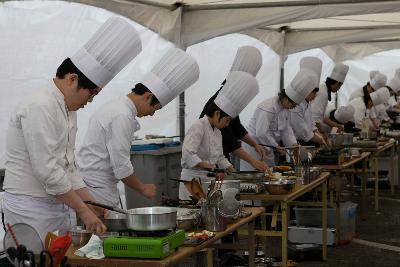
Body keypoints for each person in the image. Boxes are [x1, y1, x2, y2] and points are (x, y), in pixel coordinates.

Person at [2, 17, 142, 239]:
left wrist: (91, 203)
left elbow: (68, 167)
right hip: (29, 207)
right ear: (72, 79)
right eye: (91, 93)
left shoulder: (68, 109)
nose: (91, 100)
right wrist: (84, 210)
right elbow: (47, 170)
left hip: (56, 203)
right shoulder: (40, 105)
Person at [76, 48, 200, 208]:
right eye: (155, 108)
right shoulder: (121, 115)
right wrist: (143, 188)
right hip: (98, 190)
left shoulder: (117, 108)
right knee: (104, 232)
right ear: (148, 96)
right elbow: (121, 167)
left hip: (96, 187)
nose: (152, 114)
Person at [180, 71, 259, 200]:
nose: (228, 125)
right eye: (227, 120)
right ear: (217, 114)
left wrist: (232, 170)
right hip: (192, 181)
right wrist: (210, 167)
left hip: (208, 180)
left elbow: (220, 157)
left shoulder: (217, 131)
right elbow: (188, 155)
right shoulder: (198, 126)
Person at [199, 46, 268, 172]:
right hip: (207, 165)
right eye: (227, 120)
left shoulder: (228, 101)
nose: (228, 122)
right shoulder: (219, 102)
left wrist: (254, 144)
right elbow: (229, 140)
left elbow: (236, 128)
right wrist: (253, 161)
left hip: (219, 159)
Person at [241, 61, 320, 168]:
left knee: (270, 174)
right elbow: (262, 133)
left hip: (269, 147)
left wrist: (293, 146)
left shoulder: (285, 108)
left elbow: (286, 129)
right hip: (254, 147)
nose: (294, 107)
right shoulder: (268, 108)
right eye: (294, 104)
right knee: (255, 178)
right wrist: (276, 146)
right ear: (286, 99)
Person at [290, 57, 326, 146]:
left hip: (307, 140)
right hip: (296, 142)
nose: (315, 96)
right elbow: (301, 130)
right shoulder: (296, 104)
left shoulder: (307, 104)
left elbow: (312, 124)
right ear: (308, 91)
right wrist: (319, 139)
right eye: (314, 93)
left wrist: (320, 135)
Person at [311, 62, 349, 133]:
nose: (339, 89)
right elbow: (315, 118)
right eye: (340, 86)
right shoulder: (323, 93)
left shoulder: (323, 88)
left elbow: (322, 117)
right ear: (337, 83)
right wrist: (322, 135)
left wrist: (337, 125)